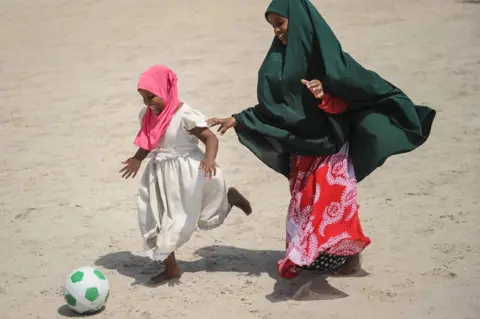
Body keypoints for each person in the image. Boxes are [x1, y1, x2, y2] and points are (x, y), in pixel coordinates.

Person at [208, 0, 435, 279]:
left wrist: (323, 97)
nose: (276, 32)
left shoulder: (332, 61)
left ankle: (351, 257)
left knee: (333, 203)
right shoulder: (276, 61)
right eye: (272, 26)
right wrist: (238, 119)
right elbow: (274, 106)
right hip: (300, 148)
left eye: (280, 24)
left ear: (299, 21)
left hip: (332, 145)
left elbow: (350, 102)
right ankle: (313, 258)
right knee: (306, 203)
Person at [120, 65, 252, 284]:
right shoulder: (147, 115)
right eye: (143, 98)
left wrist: (209, 159)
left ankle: (228, 199)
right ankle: (171, 268)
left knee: (180, 219)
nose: (147, 103)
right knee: (158, 217)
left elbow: (211, 139)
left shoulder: (184, 116)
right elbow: (149, 140)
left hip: (187, 173)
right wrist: (137, 159)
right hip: (158, 174)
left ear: (166, 90)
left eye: (151, 97)